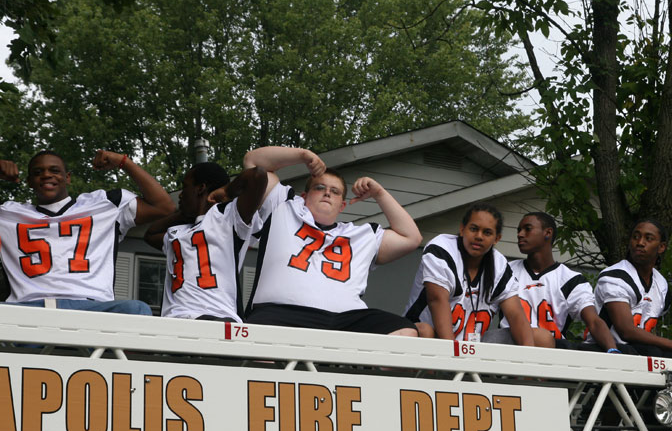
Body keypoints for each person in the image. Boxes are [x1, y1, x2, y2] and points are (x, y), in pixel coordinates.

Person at [229, 146, 421, 336]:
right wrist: (302, 155)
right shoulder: (283, 207)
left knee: (406, 332)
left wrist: (379, 194)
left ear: (342, 205)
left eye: (335, 191)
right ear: (304, 196)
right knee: (258, 337)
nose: (327, 193)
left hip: (345, 320)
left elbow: (411, 238)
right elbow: (252, 161)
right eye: (319, 188)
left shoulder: (362, 235)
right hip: (281, 312)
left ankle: (365, 367)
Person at [0, 150, 175, 313]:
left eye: (54, 170)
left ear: (67, 177)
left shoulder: (104, 204)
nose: (46, 175)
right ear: (29, 181)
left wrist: (124, 162)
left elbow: (164, 206)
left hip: (91, 307)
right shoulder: (8, 214)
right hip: (28, 309)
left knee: (137, 310)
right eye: (38, 172)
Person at [404, 202, 547, 346]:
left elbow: (515, 314)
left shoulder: (499, 264)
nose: (479, 236)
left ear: (497, 238)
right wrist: (453, 357)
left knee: (541, 337)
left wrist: (528, 359)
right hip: (435, 340)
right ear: (462, 229)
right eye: (473, 229)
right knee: (425, 331)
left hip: (473, 344)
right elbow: (437, 300)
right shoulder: (442, 249)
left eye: (487, 232)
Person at [144, 161, 268, 322]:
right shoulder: (179, 232)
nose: (180, 195)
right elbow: (150, 234)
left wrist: (227, 191)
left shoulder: (227, 216)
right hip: (175, 319)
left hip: (215, 315)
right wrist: (184, 214)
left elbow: (257, 175)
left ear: (200, 188)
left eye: (185, 186)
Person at [483, 212, 624, 353]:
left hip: (552, 353)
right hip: (510, 347)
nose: (520, 234)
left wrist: (612, 349)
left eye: (527, 229)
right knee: (490, 338)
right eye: (519, 230)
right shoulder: (505, 270)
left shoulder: (571, 279)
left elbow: (593, 321)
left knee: (548, 340)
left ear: (548, 233)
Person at [587, 218, 672, 361]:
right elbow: (626, 331)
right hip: (606, 350)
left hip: (639, 351)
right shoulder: (615, 276)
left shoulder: (661, 284)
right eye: (636, 237)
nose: (640, 243)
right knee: (653, 352)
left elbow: (648, 330)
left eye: (648, 238)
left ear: (661, 247)